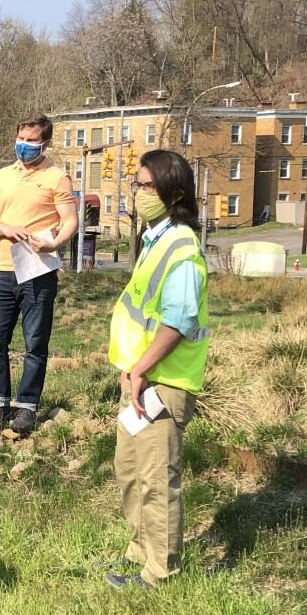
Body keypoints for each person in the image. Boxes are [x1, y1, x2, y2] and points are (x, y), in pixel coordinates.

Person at [105, 150, 211, 590]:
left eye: (147, 186)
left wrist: (144, 369)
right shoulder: (156, 240)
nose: (138, 193)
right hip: (141, 380)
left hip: (163, 383)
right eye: (137, 184)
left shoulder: (181, 246)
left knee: (155, 481)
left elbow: (180, 321)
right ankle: (139, 550)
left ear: (174, 194)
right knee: (129, 472)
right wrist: (131, 370)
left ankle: (160, 571)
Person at [0, 115, 77, 435]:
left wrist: (53, 243)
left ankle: (27, 407)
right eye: (21, 138)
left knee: (35, 343)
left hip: (38, 272)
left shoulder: (56, 178)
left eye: (32, 141)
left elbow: (70, 220)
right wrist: (6, 228)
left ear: (45, 143)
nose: (25, 145)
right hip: (3, 271)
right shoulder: (2, 176)